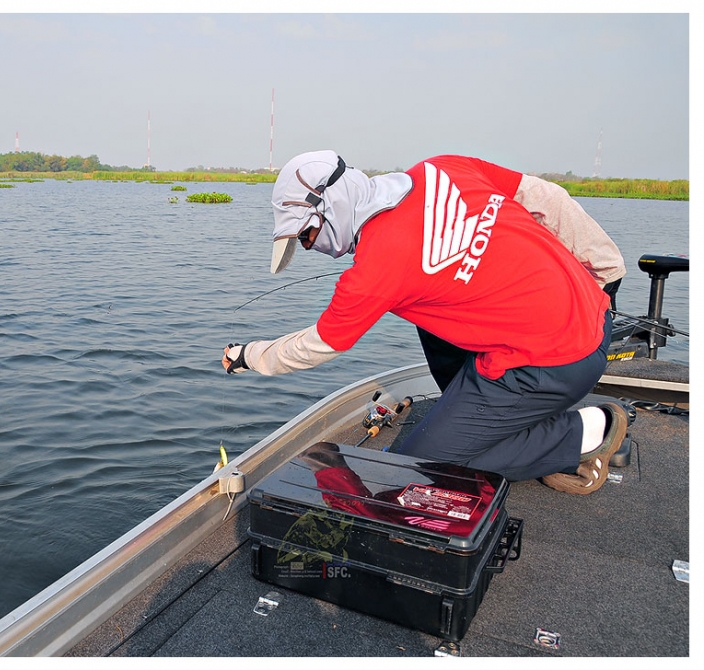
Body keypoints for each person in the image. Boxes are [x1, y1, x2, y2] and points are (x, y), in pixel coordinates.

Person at [221, 151, 628, 495]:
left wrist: (248, 356)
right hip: (592, 314)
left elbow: (319, 344)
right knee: (428, 312)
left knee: (415, 470)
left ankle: (586, 431)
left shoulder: (374, 270)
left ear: (332, 204)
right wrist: (605, 268)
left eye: (307, 236)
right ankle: (493, 423)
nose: (310, 247)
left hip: (551, 361)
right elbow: (544, 196)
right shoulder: (442, 168)